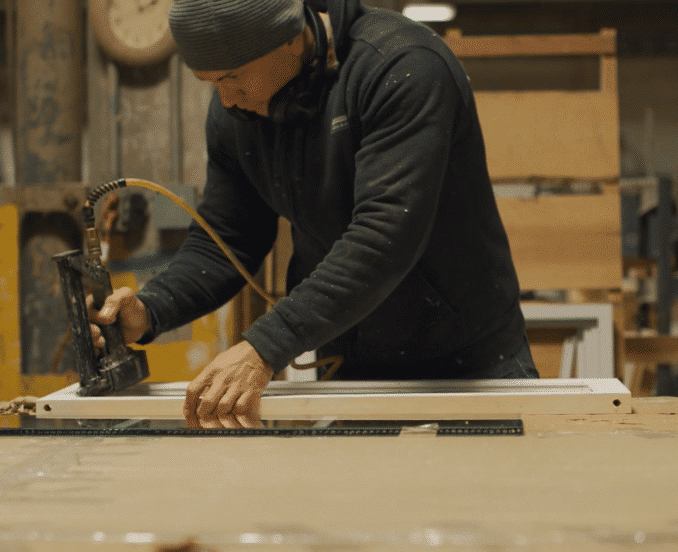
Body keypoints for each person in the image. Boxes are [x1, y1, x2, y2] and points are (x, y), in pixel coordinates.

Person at [90, 0, 536, 429]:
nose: (225, 99)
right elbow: (227, 237)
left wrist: (263, 347)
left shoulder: (401, 67)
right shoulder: (239, 107)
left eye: (232, 76)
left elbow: (384, 236)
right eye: (211, 82)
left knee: (492, 506)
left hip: (472, 366)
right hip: (357, 370)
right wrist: (151, 310)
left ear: (287, 38)